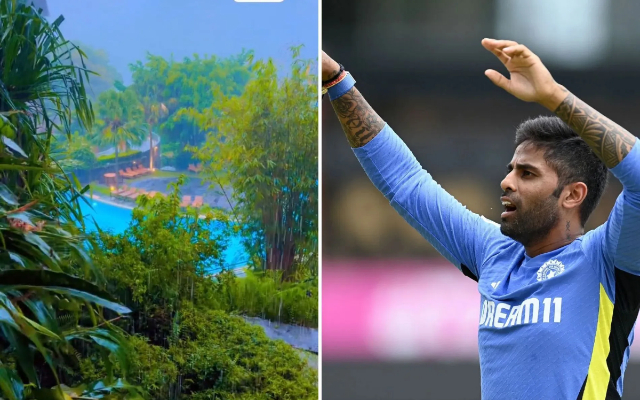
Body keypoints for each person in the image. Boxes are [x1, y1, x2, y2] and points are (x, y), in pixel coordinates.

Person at [322, 38, 640, 399]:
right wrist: (337, 80)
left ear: (573, 194)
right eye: (510, 170)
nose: (506, 181)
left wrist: (553, 95)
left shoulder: (606, 261)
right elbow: (405, 183)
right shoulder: (495, 253)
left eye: (527, 174)